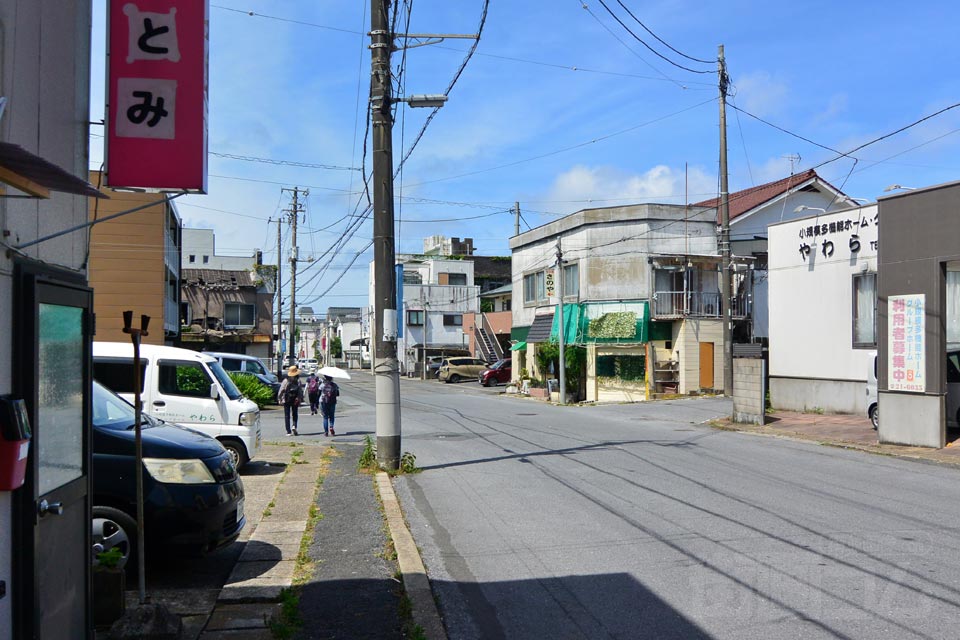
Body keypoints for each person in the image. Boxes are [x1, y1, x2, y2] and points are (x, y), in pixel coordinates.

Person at [277, 366, 304, 436]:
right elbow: (300, 391)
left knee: (287, 415)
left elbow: (281, 390)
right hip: (295, 399)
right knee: (295, 414)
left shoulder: (286, 380)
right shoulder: (298, 380)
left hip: (286, 399)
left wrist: (279, 398)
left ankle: (288, 431)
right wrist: (300, 398)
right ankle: (294, 426)